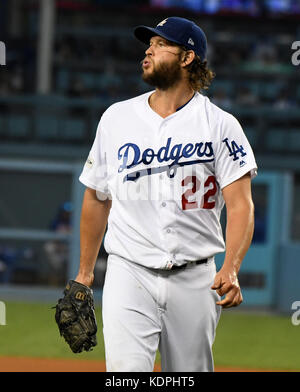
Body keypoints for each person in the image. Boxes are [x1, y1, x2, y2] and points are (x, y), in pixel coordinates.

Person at [74, 16, 257, 372]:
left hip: (196, 278)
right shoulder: (116, 118)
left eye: (160, 45)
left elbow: (240, 206)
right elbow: (97, 197)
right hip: (129, 272)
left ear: (187, 58)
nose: (149, 49)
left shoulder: (220, 125)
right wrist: (84, 273)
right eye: (149, 44)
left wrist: (231, 267)